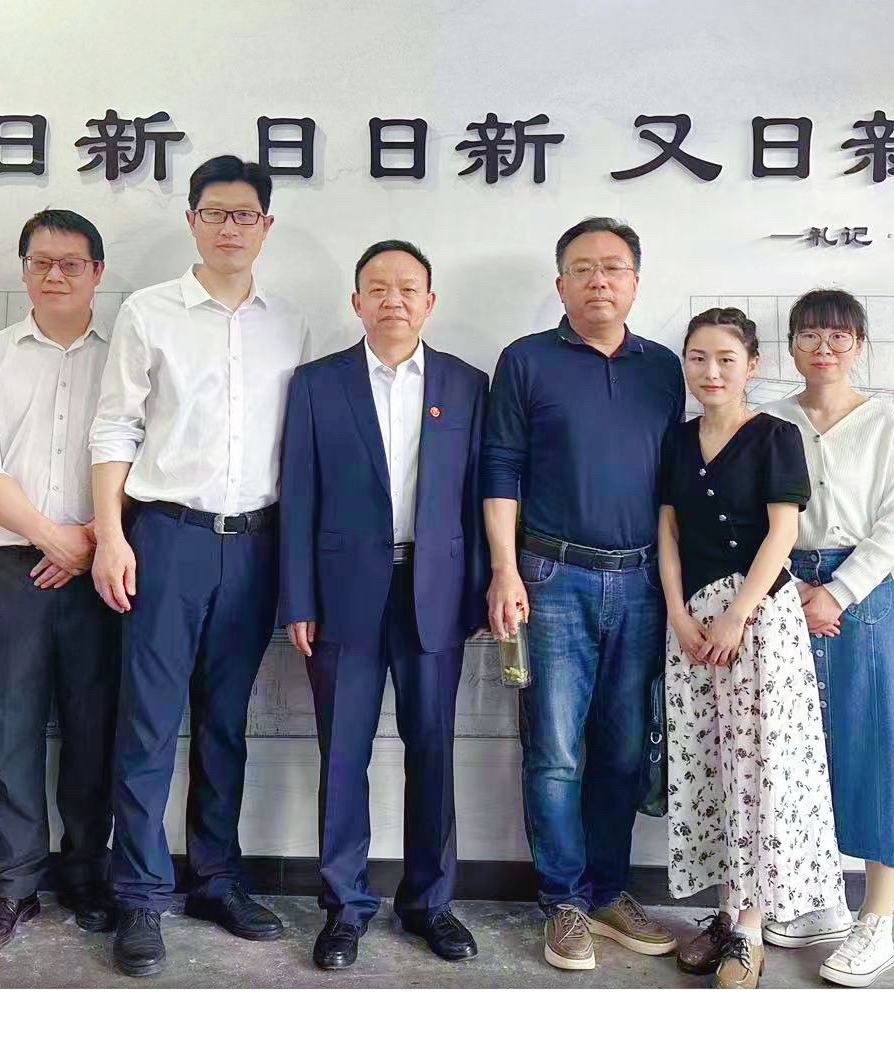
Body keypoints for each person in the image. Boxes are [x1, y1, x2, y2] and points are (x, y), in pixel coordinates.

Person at [90, 155, 311, 978]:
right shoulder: (149, 312)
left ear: (266, 226)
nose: (229, 227)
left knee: (225, 724)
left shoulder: (291, 323)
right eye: (214, 212)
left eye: (244, 214)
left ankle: (216, 879)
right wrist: (111, 535)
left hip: (255, 545)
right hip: (167, 538)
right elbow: (114, 427)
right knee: (148, 723)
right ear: (192, 221)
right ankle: (140, 896)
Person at [279, 240, 488, 971]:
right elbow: (298, 495)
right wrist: (298, 597)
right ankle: (344, 908)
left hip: (435, 594)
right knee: (344, 754)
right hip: (342, 596)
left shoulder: (466, 384)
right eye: (377, 288)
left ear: (429, 301)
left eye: (407, 288)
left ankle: (431, 905)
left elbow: (479, 495)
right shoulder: (317, 383)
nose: (392, 300)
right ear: (357, 303)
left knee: (433, 751)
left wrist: (478, 593)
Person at [482, 216, 683, 972]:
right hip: (551, 576)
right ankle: (563, 901)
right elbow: (500, 468)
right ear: (560, 283)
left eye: (614, 268)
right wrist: (503, 569)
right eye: (583, 268)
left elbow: (673, 483)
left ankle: (607, 891)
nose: (599, 281)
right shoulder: (526, 360)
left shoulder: (664, 368)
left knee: (624, 750)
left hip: (641, 581)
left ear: (635, 282)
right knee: (556, 749)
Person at [657, 307, 846, 990]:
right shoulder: (676, 440)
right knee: (708, 762)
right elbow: (668, 532)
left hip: (760, 619)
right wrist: (678, 615)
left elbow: (782, 533)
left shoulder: (775, 436)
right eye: (698, 358)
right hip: (692, 621)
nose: (711, 372)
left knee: (760, 765)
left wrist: (738, 615)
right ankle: (723, 910)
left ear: (752, 365)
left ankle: (750, 929)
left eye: (726, 359)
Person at [0, 210, 121, 953]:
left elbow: (140, 455)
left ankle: (86, 874)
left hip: (101, 569)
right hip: (10, 568)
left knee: (93, 727)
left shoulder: (125, 356)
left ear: (97, 273)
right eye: (40, 261)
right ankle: (13, 887)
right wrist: (57, 539)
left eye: (71, 263)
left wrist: (91, 544)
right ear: (23, 270)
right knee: (10, 727)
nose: (55, 274)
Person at [762, 289, 894, 987]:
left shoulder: (887, 421)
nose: (823, 349)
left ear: (859, 346)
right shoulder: (769, 419)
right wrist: (791, 589)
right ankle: (814, 900)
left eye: (838, 337)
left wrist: (836, 592)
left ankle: (877, 922)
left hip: (865, 599)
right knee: (791, 751)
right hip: (780, 590)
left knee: (878, 750)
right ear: (791, 345)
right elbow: (750, 516)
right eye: (809, 336)